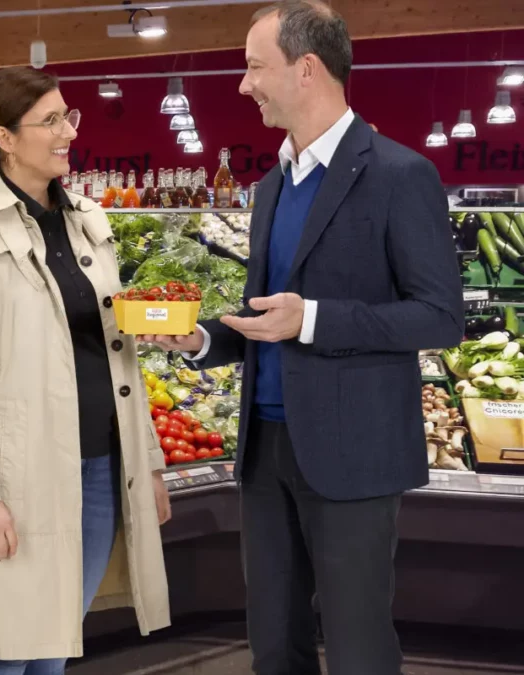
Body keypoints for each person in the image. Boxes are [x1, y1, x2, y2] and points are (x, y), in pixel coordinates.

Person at [148, 2, 464, 674]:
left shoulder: (399, 174)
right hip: (265, 455)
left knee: (357, 648)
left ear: (308, 69)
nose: (244, 84)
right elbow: (268, 311)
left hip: (355, 456)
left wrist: (314, 318)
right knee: (274, 642)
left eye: (255, 67)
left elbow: (439, 316)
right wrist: (204, 341)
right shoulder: (270, 186)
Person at [0, 66, 172, 674]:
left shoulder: (89, 219)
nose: (67, 132)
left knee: (55, 642)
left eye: (69, 116)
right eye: (50, 120)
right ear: (5, 138)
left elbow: (120, 356)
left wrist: (149, 461)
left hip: (97, 470)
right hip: (17, 478)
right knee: (3, 653)